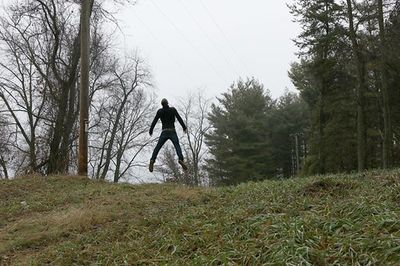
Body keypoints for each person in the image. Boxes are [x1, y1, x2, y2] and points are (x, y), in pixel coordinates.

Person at [148, 98, 188, 172]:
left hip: (164, 132)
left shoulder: (160, 111)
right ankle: (180, 159)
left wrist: (151, 130)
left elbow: (154, 121)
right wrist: (184, 127)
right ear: (167, 103)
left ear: (162, 105)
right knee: (177, 146)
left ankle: (152, 160)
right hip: (172, 131)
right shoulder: (172, 110)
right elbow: (179, 118)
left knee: (158, 147)